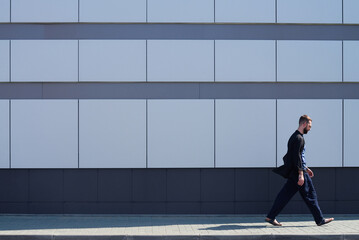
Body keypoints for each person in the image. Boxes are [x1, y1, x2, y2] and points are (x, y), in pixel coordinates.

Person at [265, 115, 334, 227]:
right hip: (298, 173)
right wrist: (301, 174)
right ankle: (320, 219)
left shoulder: (294, 136)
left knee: (284, 195)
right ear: (303, 124)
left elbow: (294, 157)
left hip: (294, 172)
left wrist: (306, 168)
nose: (310, 128)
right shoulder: (299, 138)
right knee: (311, 195)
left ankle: (271, 216)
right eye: (309, 126)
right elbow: (296, 157)